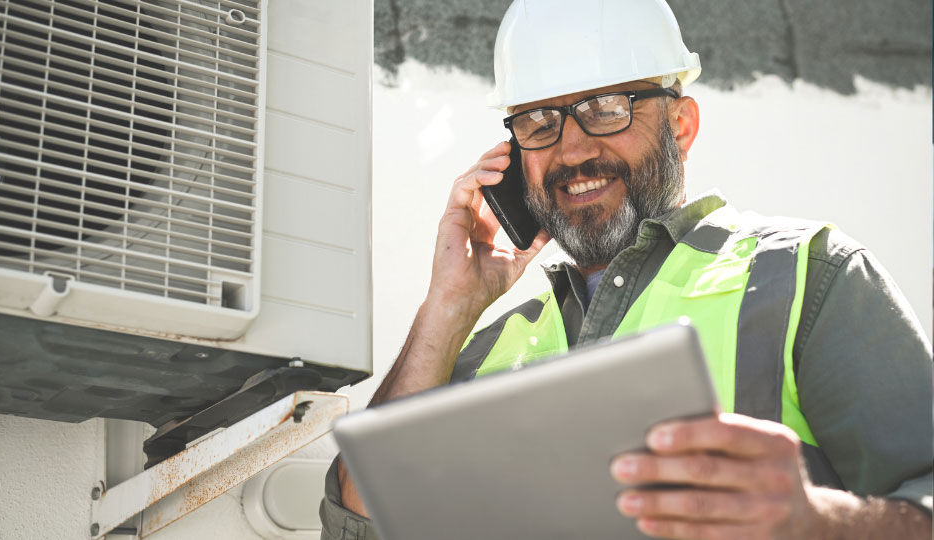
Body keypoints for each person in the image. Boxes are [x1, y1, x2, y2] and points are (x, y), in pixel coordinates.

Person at [320, 1, 933, 538]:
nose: (573, 149)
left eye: (607, 107)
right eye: (539, 121)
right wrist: (448, 307)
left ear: (681, 126)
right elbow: (359, 520)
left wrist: (818, 524)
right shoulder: (480, 352)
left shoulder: (809, 276)